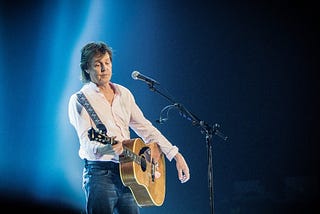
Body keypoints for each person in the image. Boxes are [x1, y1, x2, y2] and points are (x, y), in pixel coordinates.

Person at [68, 41, 190, 214]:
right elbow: (87, 142)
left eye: (107, 63)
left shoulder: (123, 93)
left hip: (129, 172)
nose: (104, 68)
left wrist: (175, 154)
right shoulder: (80, 100)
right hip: (100, 174)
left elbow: (145, 128)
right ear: (87, 68)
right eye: (97, 64)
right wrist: (108, 148)